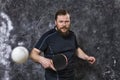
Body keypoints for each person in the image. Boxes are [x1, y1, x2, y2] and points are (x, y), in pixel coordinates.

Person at [30, 9, 96, 80]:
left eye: (66, 21)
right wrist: (41, 59)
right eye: (61, 22)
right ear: (55, 22)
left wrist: (87, 57)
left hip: (71, 77)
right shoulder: (48, 36)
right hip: (55, 78)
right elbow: (33, 54)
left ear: (70, 21)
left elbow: (76, 49)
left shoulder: (72, 35)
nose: (64, 25)